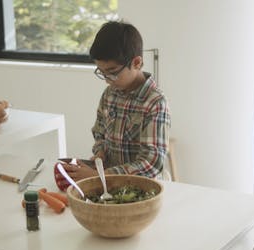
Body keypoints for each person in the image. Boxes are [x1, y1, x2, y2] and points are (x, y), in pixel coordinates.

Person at [55, 20, 171, 189]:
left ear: (137, 63)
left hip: (143, 189)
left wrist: (99, 176)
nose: (108, 80)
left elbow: (151, 164)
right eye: (101, 73)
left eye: (112, 73)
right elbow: (100, 133)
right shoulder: (110, 94)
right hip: (110, 186)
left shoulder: (154, 102)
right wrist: (100, 153)